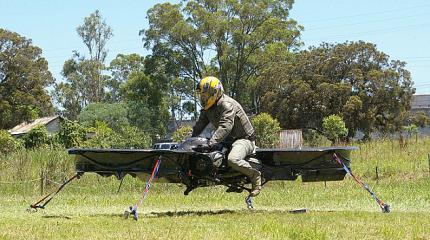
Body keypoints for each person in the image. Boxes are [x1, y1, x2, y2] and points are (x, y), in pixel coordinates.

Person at [191, 76, 262, 197]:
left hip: (244, 139)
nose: (203, 98)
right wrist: (189, 143)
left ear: (215, 92)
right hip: (227, 141)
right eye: (202, 96)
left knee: (232, 160)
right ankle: (233, 180)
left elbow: (225, 126)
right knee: (209, 157)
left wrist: (211, 143)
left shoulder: (227, 104)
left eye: (205, 95)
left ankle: (255, 176)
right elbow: (198, 127)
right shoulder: (208, 108)